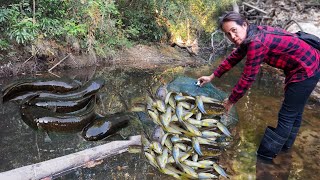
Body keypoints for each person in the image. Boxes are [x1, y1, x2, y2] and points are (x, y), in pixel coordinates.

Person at [198, 11, 320, 161]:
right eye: (228, 34)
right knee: (295, 111)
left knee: (287, 115)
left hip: (307, 69)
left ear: (244, 24)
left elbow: (248, 77)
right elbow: (234, 57)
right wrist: (212, 76)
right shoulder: (251, 34)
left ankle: (265, 158)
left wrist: (231, 100)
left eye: (234, 31)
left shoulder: (256, 43)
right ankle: (286, 150)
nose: (232, 37)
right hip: (305, 63)